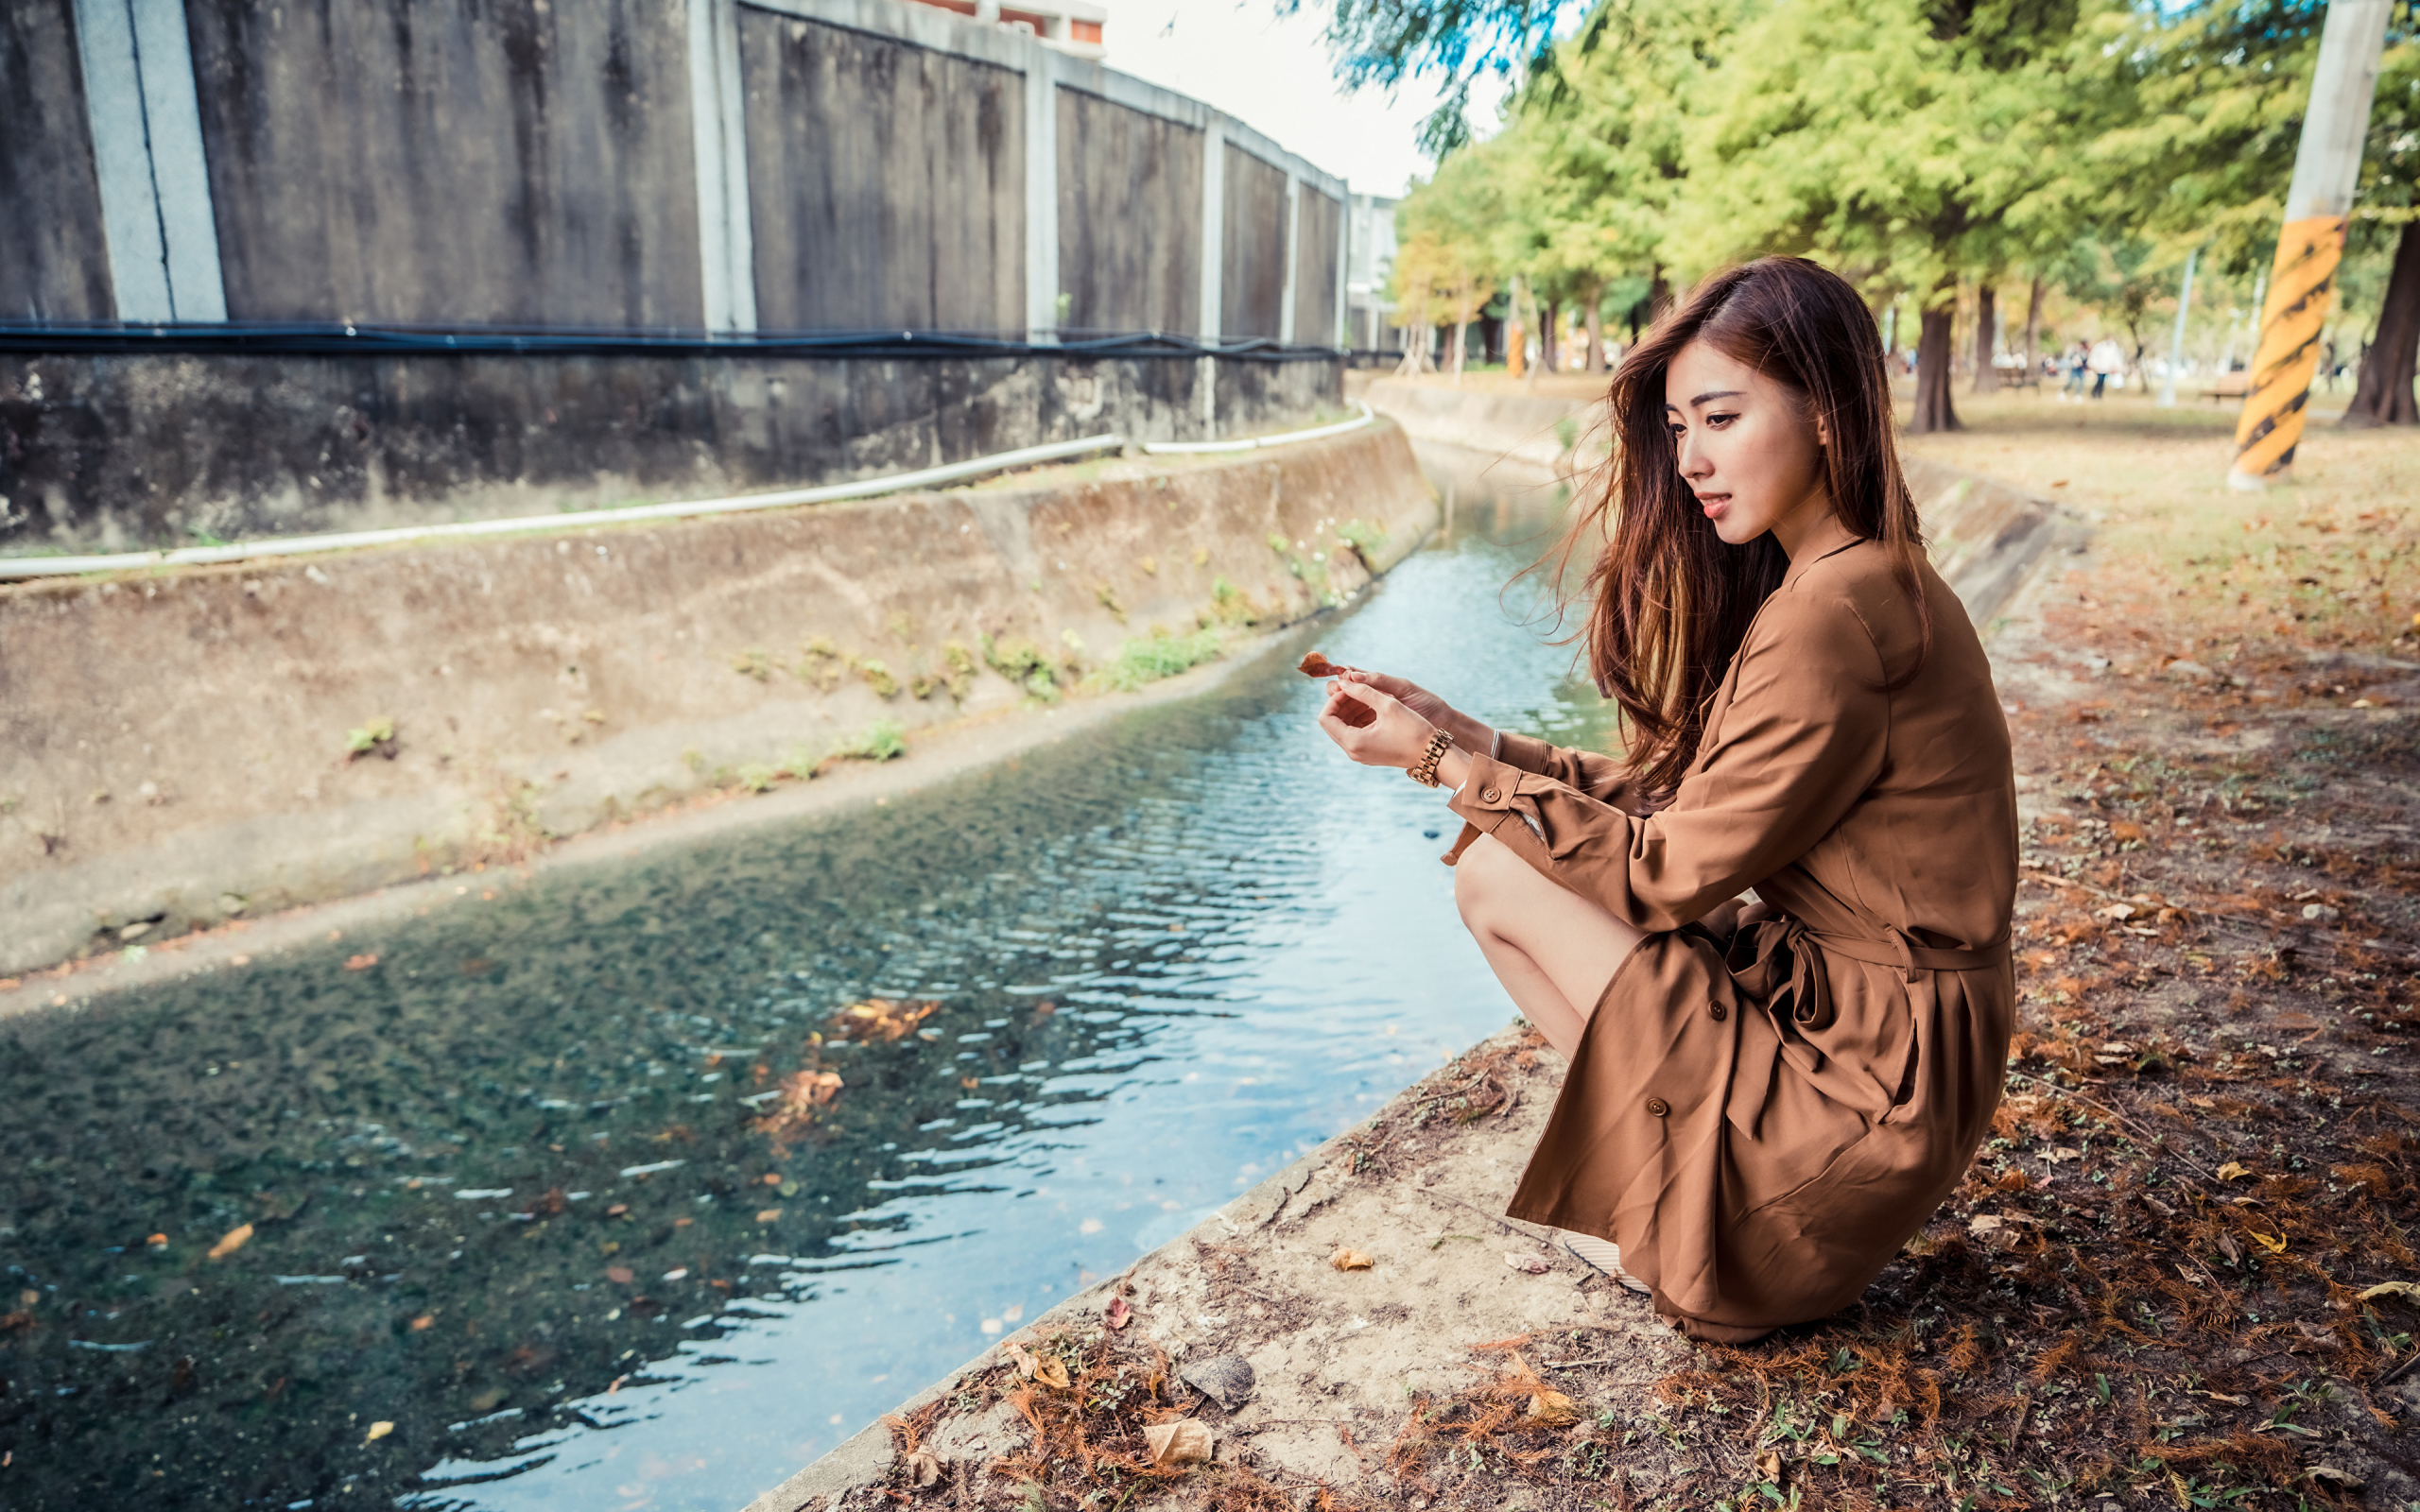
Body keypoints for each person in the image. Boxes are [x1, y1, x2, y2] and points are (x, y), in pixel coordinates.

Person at [1312, 256, 2016, 1345]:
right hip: (1886, 1059)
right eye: (1679, 426)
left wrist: (1434, 767)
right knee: (1512, 856)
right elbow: (1685, 800)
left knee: (1501, 869)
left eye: (1721, 418)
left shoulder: (1833, 612)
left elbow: (1660, 871)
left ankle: (1694, 1226)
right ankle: (1668, 1190)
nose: (1688, 459)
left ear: (1827, 414)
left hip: (1863, 1096)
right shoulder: (1860, 575)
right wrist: (1470, 735)